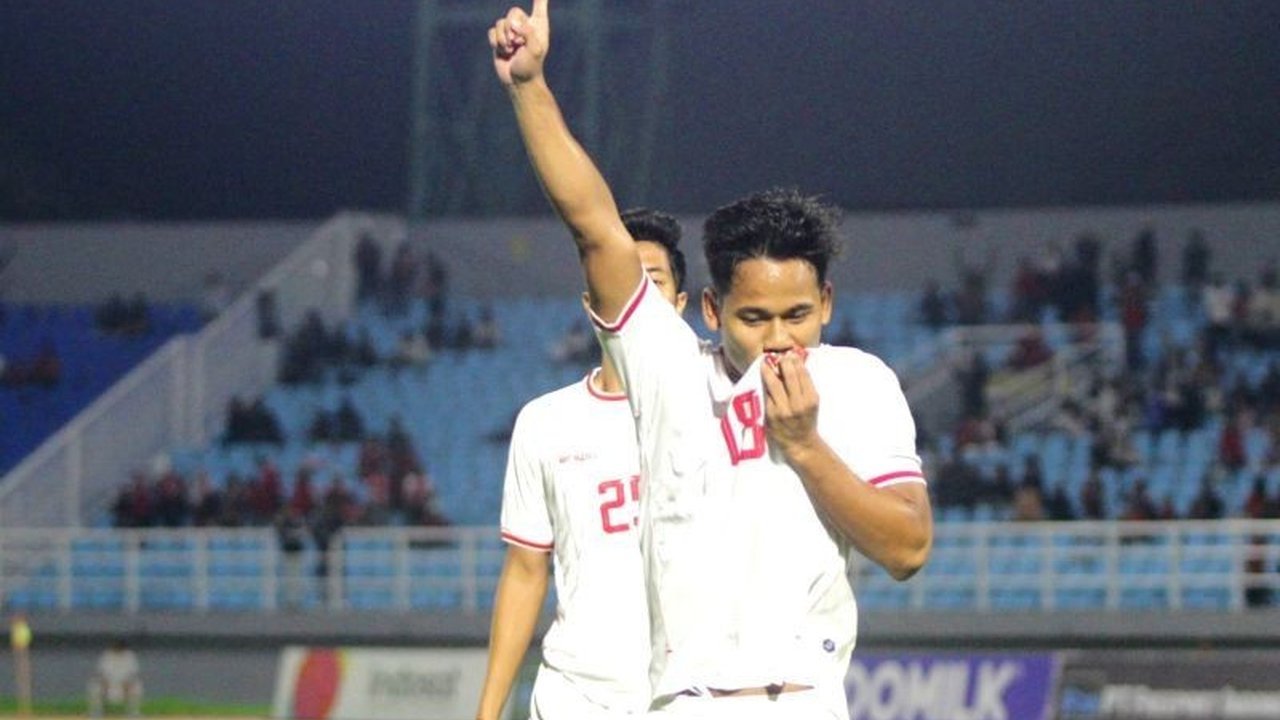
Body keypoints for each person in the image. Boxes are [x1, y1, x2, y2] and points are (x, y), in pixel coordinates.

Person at [489, 4, 932, 717]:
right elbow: (596, 230)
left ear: (827, 303)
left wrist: (807, 448)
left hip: (809, 702)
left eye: (797, 316)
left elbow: (908, 549)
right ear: (712, 309)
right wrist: (529, 86)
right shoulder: (666, 372)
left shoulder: (862, 385)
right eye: (755, 318)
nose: (780, 338)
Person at [475, 208, 690, 720]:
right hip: (576, 697)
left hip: (686, 696)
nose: (635, 297)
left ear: (680, 305)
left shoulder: (717, 407)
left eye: (652, 282)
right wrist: (487, 712)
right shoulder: (545, 422)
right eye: (623, 281)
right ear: (593, 304)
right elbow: (526, 572)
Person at [87, 639, 143, 718]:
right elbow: (100, 673)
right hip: (108, 686)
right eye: (115, 647)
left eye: (119, 647)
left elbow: (133, 674)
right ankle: (97, 712)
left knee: (137, 687)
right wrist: (104, 684)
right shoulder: (106, 655)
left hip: (124, 687)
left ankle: (132, 713)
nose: (117, 649)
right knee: (94, 686)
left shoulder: (130, 656)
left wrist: (127, 684)